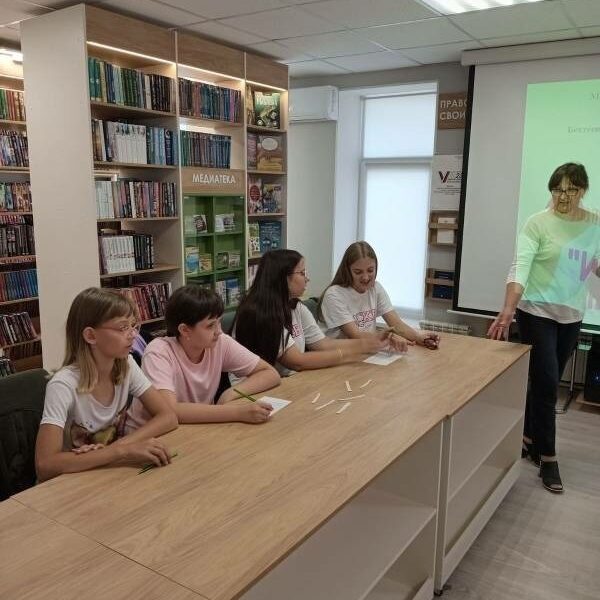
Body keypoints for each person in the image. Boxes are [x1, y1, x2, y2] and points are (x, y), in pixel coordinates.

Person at [488, 162, 600, 493]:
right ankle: (548, 458)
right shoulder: (537, 222)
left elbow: (595, 264)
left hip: (571, 314)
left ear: (583, 190)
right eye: (557, 189)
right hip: (535, 311)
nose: (563, 196)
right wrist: (508, 309)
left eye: (571, 190)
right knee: (549, 383)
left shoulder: (594, 223)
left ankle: (527, 437)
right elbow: (520, 266)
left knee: (542, 380)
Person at [35, 288, 178, 482]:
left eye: (133, 325)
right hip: (67, 482)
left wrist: (118, 449)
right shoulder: (62, 385)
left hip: (105, 472)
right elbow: (45, 465)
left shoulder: (126, 365)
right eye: (123, 328)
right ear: (91, 336)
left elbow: (168, 417)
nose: (133, 335)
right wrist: (120, 451)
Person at [126, 285, 280, 429]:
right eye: (210, 325)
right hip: (152, 435)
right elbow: (170, 411)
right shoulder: (159, 351)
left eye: (219, 322)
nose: (219, 331)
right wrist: (238, 412)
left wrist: (230, 393)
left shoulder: (219, 342)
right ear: (185, 330)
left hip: (195, 428)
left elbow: (270, 373)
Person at [232, 249, 387, 376]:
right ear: (283, 278)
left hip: (284, 381)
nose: (307, 279)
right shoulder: (261, 314)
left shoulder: (296, 307)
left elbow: (323, 344)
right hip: (251, 390)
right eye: (302, 273)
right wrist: (358, 348)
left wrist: (367, 343)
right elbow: (297, 362)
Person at [318, 241, 440, 350]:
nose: (365, 277)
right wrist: (389, 337)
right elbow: (355, 335)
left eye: (370, 270)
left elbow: (396, 324)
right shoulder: (334, 294)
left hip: (365, 351)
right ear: (347, 271)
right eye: (358, 272)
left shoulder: (376, 288)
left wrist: (419, 337)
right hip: (338, 355)